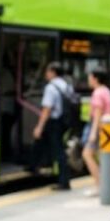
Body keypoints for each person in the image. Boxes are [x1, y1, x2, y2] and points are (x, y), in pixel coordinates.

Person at [33, 61, 73, 191]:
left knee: (58, 151)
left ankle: (64, 182)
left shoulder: (51, 87)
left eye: (47, 71)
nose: (46, 74)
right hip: (64, 122)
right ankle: (36, 166)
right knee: (45, 145)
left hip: (54, 123)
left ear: (53, 72)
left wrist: (39, 126)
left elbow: (47, 109)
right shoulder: (66, 85)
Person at [81, 69, 110, 196]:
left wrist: (93, 133)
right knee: (101, 157)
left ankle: (99, 186)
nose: (89, 79)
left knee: (87, 154)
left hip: (98, 127)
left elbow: (97, 114)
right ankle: (103, 185)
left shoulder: (97, 92)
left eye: (90, 77)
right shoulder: (106, 90)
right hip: (106, 129)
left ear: (95, 78)